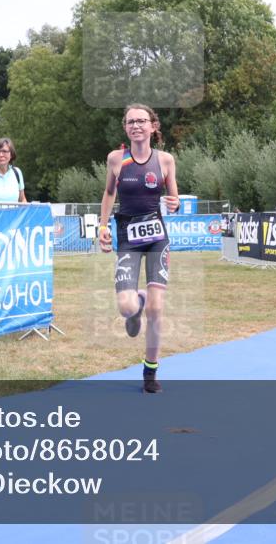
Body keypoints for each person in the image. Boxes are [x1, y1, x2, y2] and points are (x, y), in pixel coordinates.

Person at [98, 104, 179, 394]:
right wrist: (103, 226)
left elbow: (174, 197)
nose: (137, 126)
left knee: (158, 309)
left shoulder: (166, 160)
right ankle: (138, 303)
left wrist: (175, 203)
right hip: (128, 238)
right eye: (131, 121)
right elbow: (109, 193)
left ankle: (150, 370)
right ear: (126, 128)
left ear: (153, 126)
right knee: (126, 307)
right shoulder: (116, 159)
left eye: (142, 121)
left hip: (157, 237)